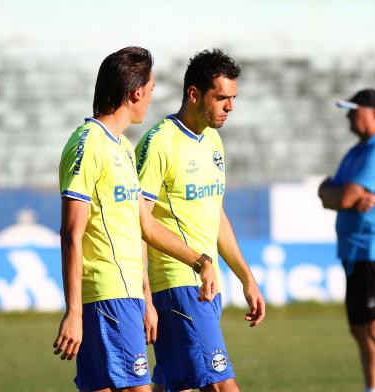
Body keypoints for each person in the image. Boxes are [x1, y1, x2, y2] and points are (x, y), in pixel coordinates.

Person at [52, 47, 218, 392]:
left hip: (127, 296)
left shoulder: (124, 148)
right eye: (152, 90)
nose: (152, 99)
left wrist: (196, 263)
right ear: (135, 93)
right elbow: (71, 233)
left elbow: (146, 225)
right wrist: (74, 312)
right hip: (107, 295)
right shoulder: (87, 144)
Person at [135, 49, 265, 392]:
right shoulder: (159, 142)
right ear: (194, 94)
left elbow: (216, 215)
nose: (230, 107)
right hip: (179, 284)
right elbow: (140, 221)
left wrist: (246, 278)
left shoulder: (213, 140)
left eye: (233, 98)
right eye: (221, 97)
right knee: (222, 385)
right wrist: (149, 293)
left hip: (208, 285)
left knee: (175, 385)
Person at [318, 89, 375, 392]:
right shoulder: (356, 152)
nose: (348, 116)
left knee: (373, 326)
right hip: (355, 253)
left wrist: (338, 194)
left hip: (374, 252)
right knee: (360, 328)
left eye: (354, 110)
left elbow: (341, 195)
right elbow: (326, 191)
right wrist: (336, 193)